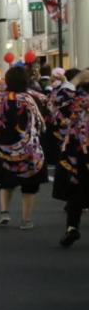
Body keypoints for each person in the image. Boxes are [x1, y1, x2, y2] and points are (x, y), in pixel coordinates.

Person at [0, 65, 48, 229]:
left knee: (6, 182)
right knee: (29, 187)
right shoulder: (33, 99)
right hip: (29, 150)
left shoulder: (0, 99)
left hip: (4, 148)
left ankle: (4, 212)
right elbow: (43, 120)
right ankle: (26, 220)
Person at [52, 70, 89, 247]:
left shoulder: (76, 101)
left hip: (77, 154)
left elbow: (57, 101)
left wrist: (75, 80)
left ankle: (72, 227)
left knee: (76, 191)